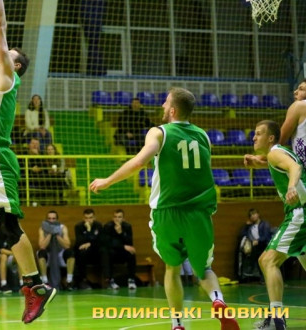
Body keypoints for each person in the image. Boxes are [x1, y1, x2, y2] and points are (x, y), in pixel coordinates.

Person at [89, 87, 239, 330]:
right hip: (199, 213)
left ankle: (177, 324)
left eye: (165, 102)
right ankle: (217, 300)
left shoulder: (158, 132)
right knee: (204, 269)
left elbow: (140, 161)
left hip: (167, 212)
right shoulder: (203, 135)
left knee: (172, 267)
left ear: (173, 110)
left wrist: (107, 181)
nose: (161, 106)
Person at [0, 0, 55, 324]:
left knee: (8, 226)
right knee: (2, 227)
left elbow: (0, 28)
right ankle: (33, 284)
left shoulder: (7, 76)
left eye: (9, 54)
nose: (1, 52)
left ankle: (35, 286)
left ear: (16, 65)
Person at [244, 120, 306, 330]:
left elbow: (295, 167)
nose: (254, 137)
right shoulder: (277, 154)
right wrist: (258, 161)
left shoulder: (274, 153)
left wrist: (291, 187)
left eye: (258, 133)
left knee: (267, 260)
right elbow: (284, 164)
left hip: (300, 212)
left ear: (271, 138)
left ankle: (277, 320)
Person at [37, 210, 75, 291]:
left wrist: (57, 235)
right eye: (49, 218)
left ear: (57, 219)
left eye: (53, 218)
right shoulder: (42, 228)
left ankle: (69, 280)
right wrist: (50, 233)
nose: (51, 220)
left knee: (70, 253)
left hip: (60, 251)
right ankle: (45, 281)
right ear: (46, 219)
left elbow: (67, 245)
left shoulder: (62, 227)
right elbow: (42, 246)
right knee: (41, 253)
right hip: (48, 251)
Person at [103, 209, 137, 290]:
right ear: (113, 218)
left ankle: (131, 279)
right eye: (115, 217)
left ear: (123, 219)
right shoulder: (108, 226)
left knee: (131, 253)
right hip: (113, 252)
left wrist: (121, 233)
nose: (117, 219)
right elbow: (108, 243)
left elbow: (129, 242)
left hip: (122, 253)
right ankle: (110, 281)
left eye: (119, 217)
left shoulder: (127, 226)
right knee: (107, 253)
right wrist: (123, 246)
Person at [236, 208, 272, 282]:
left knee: (260, 255)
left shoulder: (264, 224)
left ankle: (266, 277)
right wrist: (246, 226)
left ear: (258, 214)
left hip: (264, 245)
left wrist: (258, 241)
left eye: (254, 214)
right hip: (254, 247)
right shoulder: (250, 227)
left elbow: (266, 236)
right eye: (251, 215)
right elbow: (242, 234)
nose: (253, 216)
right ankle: (246, 276)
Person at [73, 208, 104, 290]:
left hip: (96, 252)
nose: (88, 220)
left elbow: (101, 241)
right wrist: (88, 230)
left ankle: (107, 280)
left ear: (94, 218)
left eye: (90, 218)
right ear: (83, 218)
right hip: (84, 253)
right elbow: (80, 242)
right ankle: (83, 280)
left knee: (104, 251)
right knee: (82, 252)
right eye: (86, 218)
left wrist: (90, 243)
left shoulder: (99, 226)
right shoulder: (78, 226)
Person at [279, 79, 306, 164]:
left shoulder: (299, 106)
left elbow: (279, 141)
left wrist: (261, 158)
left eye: (301, 89)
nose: (295, 92)